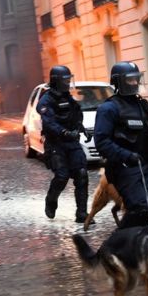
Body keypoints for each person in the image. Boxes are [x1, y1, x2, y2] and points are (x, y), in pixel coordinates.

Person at [94, 61, 148, 229]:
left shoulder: (142, 106)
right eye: (130, 80)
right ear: (119, 82)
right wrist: (126, 155)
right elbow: (102, 142)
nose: (134, 83)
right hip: (124, 168)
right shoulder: (109, 109)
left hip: (146, 166)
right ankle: (121, 242)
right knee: (140, 208)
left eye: (136, 79)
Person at [37, 65, 91, 223]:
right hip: (56, 144)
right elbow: (49, 123)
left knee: (81, 174)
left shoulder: (68, 97)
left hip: (72, 143)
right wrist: (64, 132)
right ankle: (51, 201)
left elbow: (75, 115)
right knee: (62, 176)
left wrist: (81, 128)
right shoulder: (46, 101)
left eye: (69, 79)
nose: (68, 83)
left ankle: (82, 213)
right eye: (66, 80)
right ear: (57, 81)